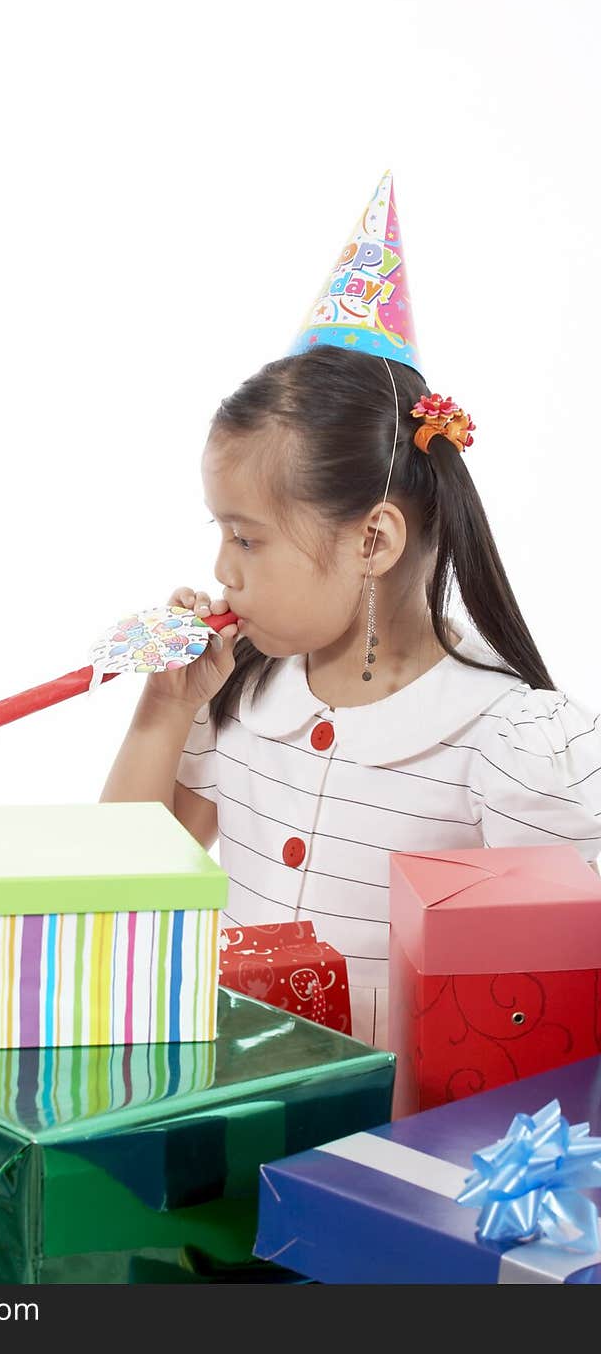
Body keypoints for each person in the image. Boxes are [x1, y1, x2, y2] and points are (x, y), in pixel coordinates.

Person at [100, 176, 601, 1050]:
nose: (221, 568)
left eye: (248, 539)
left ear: (374, 540)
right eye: (219, 533)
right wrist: (164, 708)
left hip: (395, 1160)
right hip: (231, 1121)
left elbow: (551, 1007)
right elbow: (109, 898)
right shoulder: (238, 700)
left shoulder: (508, 743)